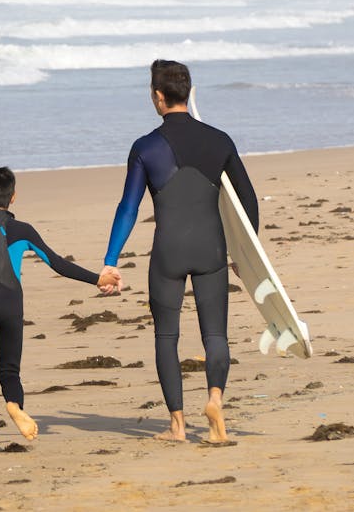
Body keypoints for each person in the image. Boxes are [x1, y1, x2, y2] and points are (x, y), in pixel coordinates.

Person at [103, 60, 259, 444]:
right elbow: (248, 200)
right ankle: (216, 400)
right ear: (188, 93)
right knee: (216, 335)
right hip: (211, 249)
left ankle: (177, 426)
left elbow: (128, 207)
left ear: (158, 96)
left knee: (166, 336)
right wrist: (245, 256)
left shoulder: (145, 147)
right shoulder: (220, 139)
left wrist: (110, 260)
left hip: (168, 252)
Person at [0, 166, 121, 453]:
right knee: (10, 370)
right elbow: (57, 263)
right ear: (14, 197)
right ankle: (13, 406)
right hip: (10, 305)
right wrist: (97, 279)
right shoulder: (24, 230)